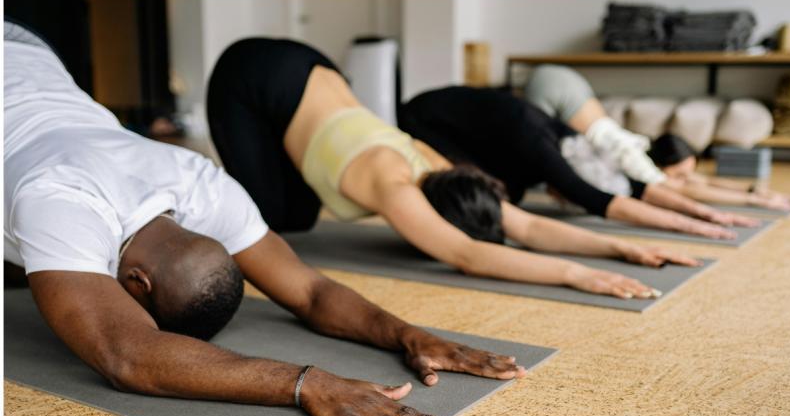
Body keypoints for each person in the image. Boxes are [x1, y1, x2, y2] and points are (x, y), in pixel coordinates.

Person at [3, 22, 526, 416]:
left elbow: (313, 292)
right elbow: (130, 354)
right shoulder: (62, 202)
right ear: (136, 284)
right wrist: (306, 384)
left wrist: (408, 334)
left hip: (31, 60)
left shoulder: (200, 183)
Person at [207, 38, 701, 303]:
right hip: (247, 73)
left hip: (311, 64)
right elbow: (468, 254)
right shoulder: (391, 181)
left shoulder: (441, 167)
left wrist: (619, 246)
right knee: (275, 220)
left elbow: (523, 224)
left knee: (300, 213)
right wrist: (576, 275)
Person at [398, 85, 760, 239]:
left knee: (515, 191)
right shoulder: (546, 154)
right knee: (488, 204)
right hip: (422, 117)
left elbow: (636, 188)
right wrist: (690, 227)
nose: (569, 200)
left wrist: (707, 213)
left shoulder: (572, 141)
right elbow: (604, 202)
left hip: (490, 126)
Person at [524, 64, 790, 212]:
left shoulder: (645, 146)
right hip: (551, 89)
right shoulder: (634, 158)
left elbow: (697, 180)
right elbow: (682, 189)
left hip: (567, 84)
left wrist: (751, 190)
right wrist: (753, 204)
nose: (685, 177)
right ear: (665, 165)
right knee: (535, 151)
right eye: (680, 173)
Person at [647, 134, 790, 211]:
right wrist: (753, 200)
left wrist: (756, 190)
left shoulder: (669, 167)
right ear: (660, 164)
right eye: (680, 174)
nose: (686, 177)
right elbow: (690, 191)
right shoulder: (645, 170)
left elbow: (706, 181)